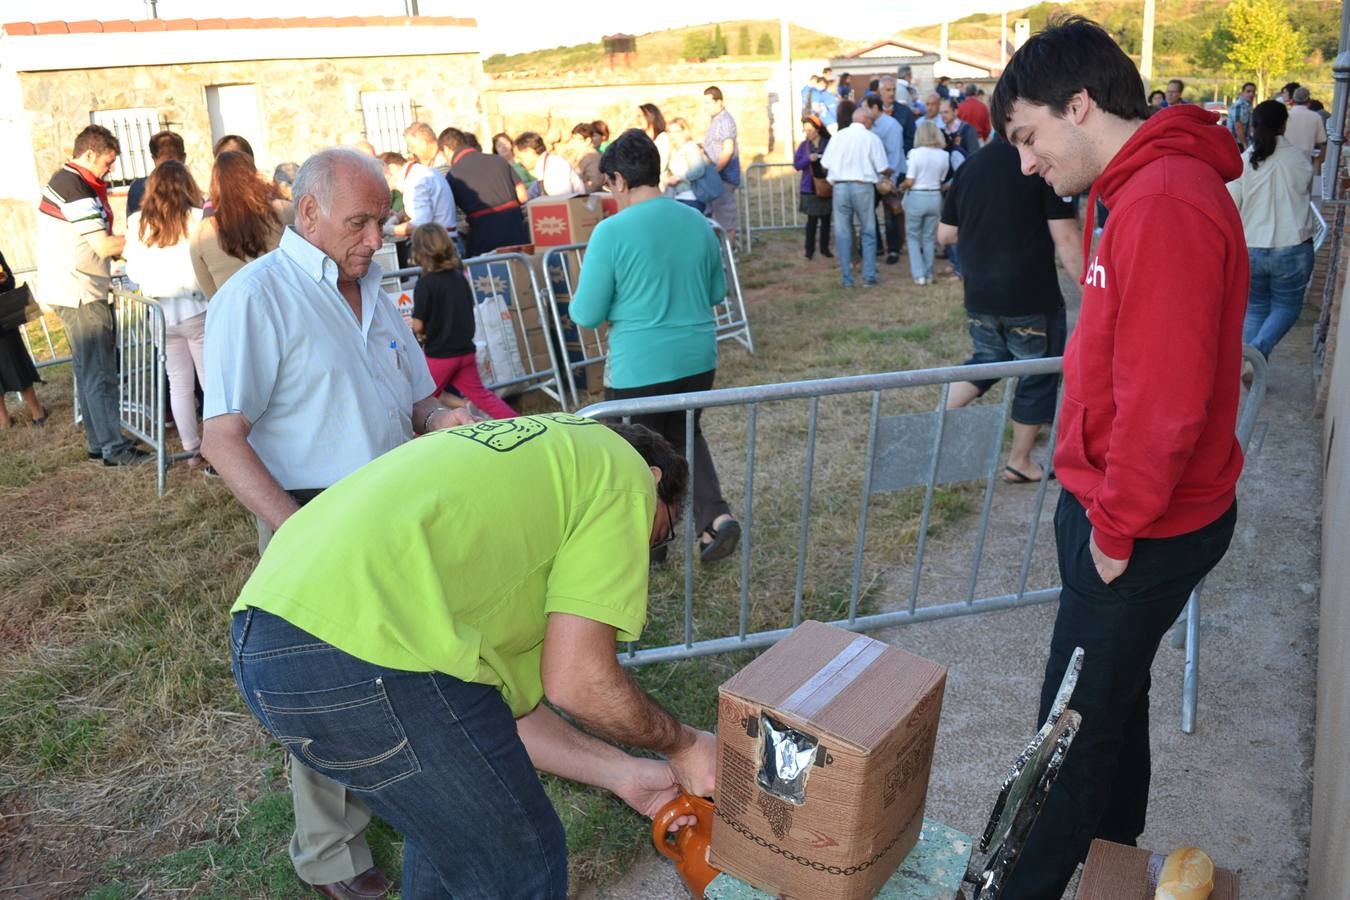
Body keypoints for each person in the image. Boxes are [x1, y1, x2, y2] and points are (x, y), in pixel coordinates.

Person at [228, 415, 717, 897]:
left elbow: (493, 722)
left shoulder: (545, 468)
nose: (647, 555)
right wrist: (685, 745)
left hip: (266, 638)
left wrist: (621, 772)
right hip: (360, 652)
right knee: (522, 864)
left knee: (459, 831)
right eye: (660, 536)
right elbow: (579, 680)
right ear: (653, 481)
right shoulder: (623, 473)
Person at [990, 17, 1246, 899]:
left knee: (1066, 732)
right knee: (1108, 707)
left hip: (1141, 520)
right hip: (1118, 508)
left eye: (1028, 136)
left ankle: (1022, 885)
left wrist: (1117, 523)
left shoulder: (1166, 196)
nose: (1025, 163)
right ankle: (1114, 864)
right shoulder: (1131, 189)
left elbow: (1167, 399)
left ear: (1080, 104)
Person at [201, 147, 475, 900]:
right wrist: (296, 530)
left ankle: (419, 801)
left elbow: (416, 403)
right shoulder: (259, 296)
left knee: (407, 669)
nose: (375, 237)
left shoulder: (377, 290)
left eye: (382, 221)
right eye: (360, 222)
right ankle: (332, 856)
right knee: (325, 691)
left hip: (393, 508)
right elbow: (220, 438)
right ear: (310, 212)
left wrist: (444, 415)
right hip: (310, 514)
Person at [570, 130, 742, 564]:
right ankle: (714, 519)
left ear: (619, 180)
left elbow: (586, 313)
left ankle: (651, 546)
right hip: (697, 356)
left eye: (609, 186)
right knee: (686, 435)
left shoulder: (611, 232)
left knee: (634, 454)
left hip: (639, 365)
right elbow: (717, 290)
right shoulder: (699, 222)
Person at [938, 132, 1081, 482]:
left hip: (980, 292)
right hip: (1030, 294)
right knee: (1038, 374)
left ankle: (935, 422)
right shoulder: (1045, 163)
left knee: (987, 361)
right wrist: (1092, 289)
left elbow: (945, 234)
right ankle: (1020, 462)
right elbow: (1066, 237)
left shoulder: (971, 165)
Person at [36, 124, 144, 465]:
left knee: (87, 370)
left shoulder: (69, 181)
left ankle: (100, 442)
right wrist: (151, 240)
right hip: (81, 290)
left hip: (71, 287)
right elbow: (104, 244)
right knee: (99, 372)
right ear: (89, 154)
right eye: (108, 163)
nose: (110, 170)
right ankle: (114, 448)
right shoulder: (76, 188)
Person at [124, 161, 209, 469]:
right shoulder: (198, 218)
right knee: (210, 381)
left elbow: (132, 270)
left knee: (179, 383)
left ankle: (192, 450)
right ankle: (217, 446)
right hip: (196, 306)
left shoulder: (137, 223)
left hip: (159, 312)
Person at [1227, 100, 1317, 371]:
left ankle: (1246, 361)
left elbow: (1232, 205)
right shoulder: (1300, 159)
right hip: (1293, 248)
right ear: (1283, 125)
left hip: (1251, 247)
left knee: (1254, 309)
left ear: (1253, 126)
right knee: (1287, 308)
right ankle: (1257, 352)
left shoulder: (1242, 162)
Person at [409, 223, 517, 419]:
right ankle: (520, 423)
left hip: (440, 354)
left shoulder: (425, 284)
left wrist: (415, 328)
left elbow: (418, 325)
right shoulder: (459, 277)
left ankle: (418, 442)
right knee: (483, 397)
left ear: (419, 251)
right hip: (465, 351)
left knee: (422, 402)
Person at [189, 151, 286, 299]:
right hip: (285, 305)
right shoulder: (283, 210)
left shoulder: (201, 235)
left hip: (235, 316)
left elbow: (212, 295)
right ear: (253, 175)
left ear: (215, 184)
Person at [820, 106, 890, 288]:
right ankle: (868, 276)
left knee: (843, 233)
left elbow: (825, 163)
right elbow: (882, 167)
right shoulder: (871, 138)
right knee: (867, 231)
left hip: (841, 187)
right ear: (866, 120)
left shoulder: (838, 137)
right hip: (862, 186)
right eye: (871, 122)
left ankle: (847, 278)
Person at [442, 127, 530, 258]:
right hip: (516, 234)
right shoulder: (498, 160)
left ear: (447, 150)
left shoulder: (452, 175)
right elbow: (523, 196)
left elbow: (450, 213)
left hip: (483, 241)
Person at [0, 249, 47, 428]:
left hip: (3, 322)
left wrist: (4, 281)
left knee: (17, 364)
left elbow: (10, 280)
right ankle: (3, 420)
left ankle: (37, 411)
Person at [899, 121, 950, 284]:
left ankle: (919, 274)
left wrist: (901, 186)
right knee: (929, 238)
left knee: (913, 236)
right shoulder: (944, 155)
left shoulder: (915, 153)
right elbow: (942, 179)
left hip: (917, 196)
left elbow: (910, 180)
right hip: (934, 196)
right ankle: (928, 273)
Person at [377, 151, 457, 242]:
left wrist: (388, 230)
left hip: (438, 245)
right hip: (443, 240)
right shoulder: (418, 173)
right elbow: (423, 208)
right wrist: (397, 217)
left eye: (380, 176)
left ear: (392, 169)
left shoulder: (414, 181)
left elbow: (420, 225)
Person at [703, 86, 742, 244]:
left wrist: (714, 171)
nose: (705, 107)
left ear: (718, 101)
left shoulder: (725, 121)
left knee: (725, 222)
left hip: (724, 178)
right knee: (717, 218)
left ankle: (729, 259)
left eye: (708, 102)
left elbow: (728, 150)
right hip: (718, 177)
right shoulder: (716, 120)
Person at [793, 114, 833, 260]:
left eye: (810, 130)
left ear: (817, 129)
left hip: (826, 186)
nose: (807, 133)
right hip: (810, 187)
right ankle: (809, 250)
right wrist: (807, 159)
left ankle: (825, 248)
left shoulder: (829, 143)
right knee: (812, 221)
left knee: (826, 220)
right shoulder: (804, 147)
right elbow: (797, 165)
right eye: (805, 130)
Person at [125, 130, 186, 217]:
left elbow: (133, 223)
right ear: (183, 158)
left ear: (154, 159)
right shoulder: (190, 189)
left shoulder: (138, 188)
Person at [662, 117, 713, 212]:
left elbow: (699, 169)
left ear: (684, 131)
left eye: (676, 131)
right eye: (670, 132)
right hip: (678, 196)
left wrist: (679, 177)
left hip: (691, 197)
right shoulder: (674, 150)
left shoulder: (690, 147)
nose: (673, 135)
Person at [514, 132, 585, 197]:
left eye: (520, 157)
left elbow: (560, 198)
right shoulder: (544, 167)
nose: (518, 162)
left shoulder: (555, 165)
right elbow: (531, 193)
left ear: (529, 151)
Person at [1285, 86, 1328, 171]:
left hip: (1286, 162)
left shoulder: (1285, 116)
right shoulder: (1316, 117)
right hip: (1306, 163)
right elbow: (1322, 142)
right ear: (1309, 101)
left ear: (1293, 100)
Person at [636, 103, 671, 181]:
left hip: (656, 182)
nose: (639, 119)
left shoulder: (662, 138)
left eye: (641, 116)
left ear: (651, 116)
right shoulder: (640, 136)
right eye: (638, 116)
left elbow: (661, 165)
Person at [566, 123, 605, 192]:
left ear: (588, 140)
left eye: (578, 140)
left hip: (586, 198)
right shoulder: (577, 155)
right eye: (573, 139)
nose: (574, 142)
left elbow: (595, 184)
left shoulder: (594, 157)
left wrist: (576, 192)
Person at [1229, 81, 1256, 148]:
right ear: (1242, 93)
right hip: (1237, 144)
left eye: (1253, 92)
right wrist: (1245, 144)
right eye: (1248, 91)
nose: (1251, 94)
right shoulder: (1240, 105)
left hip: (1241, 143)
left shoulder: (1247, 105)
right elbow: (1238, 126)